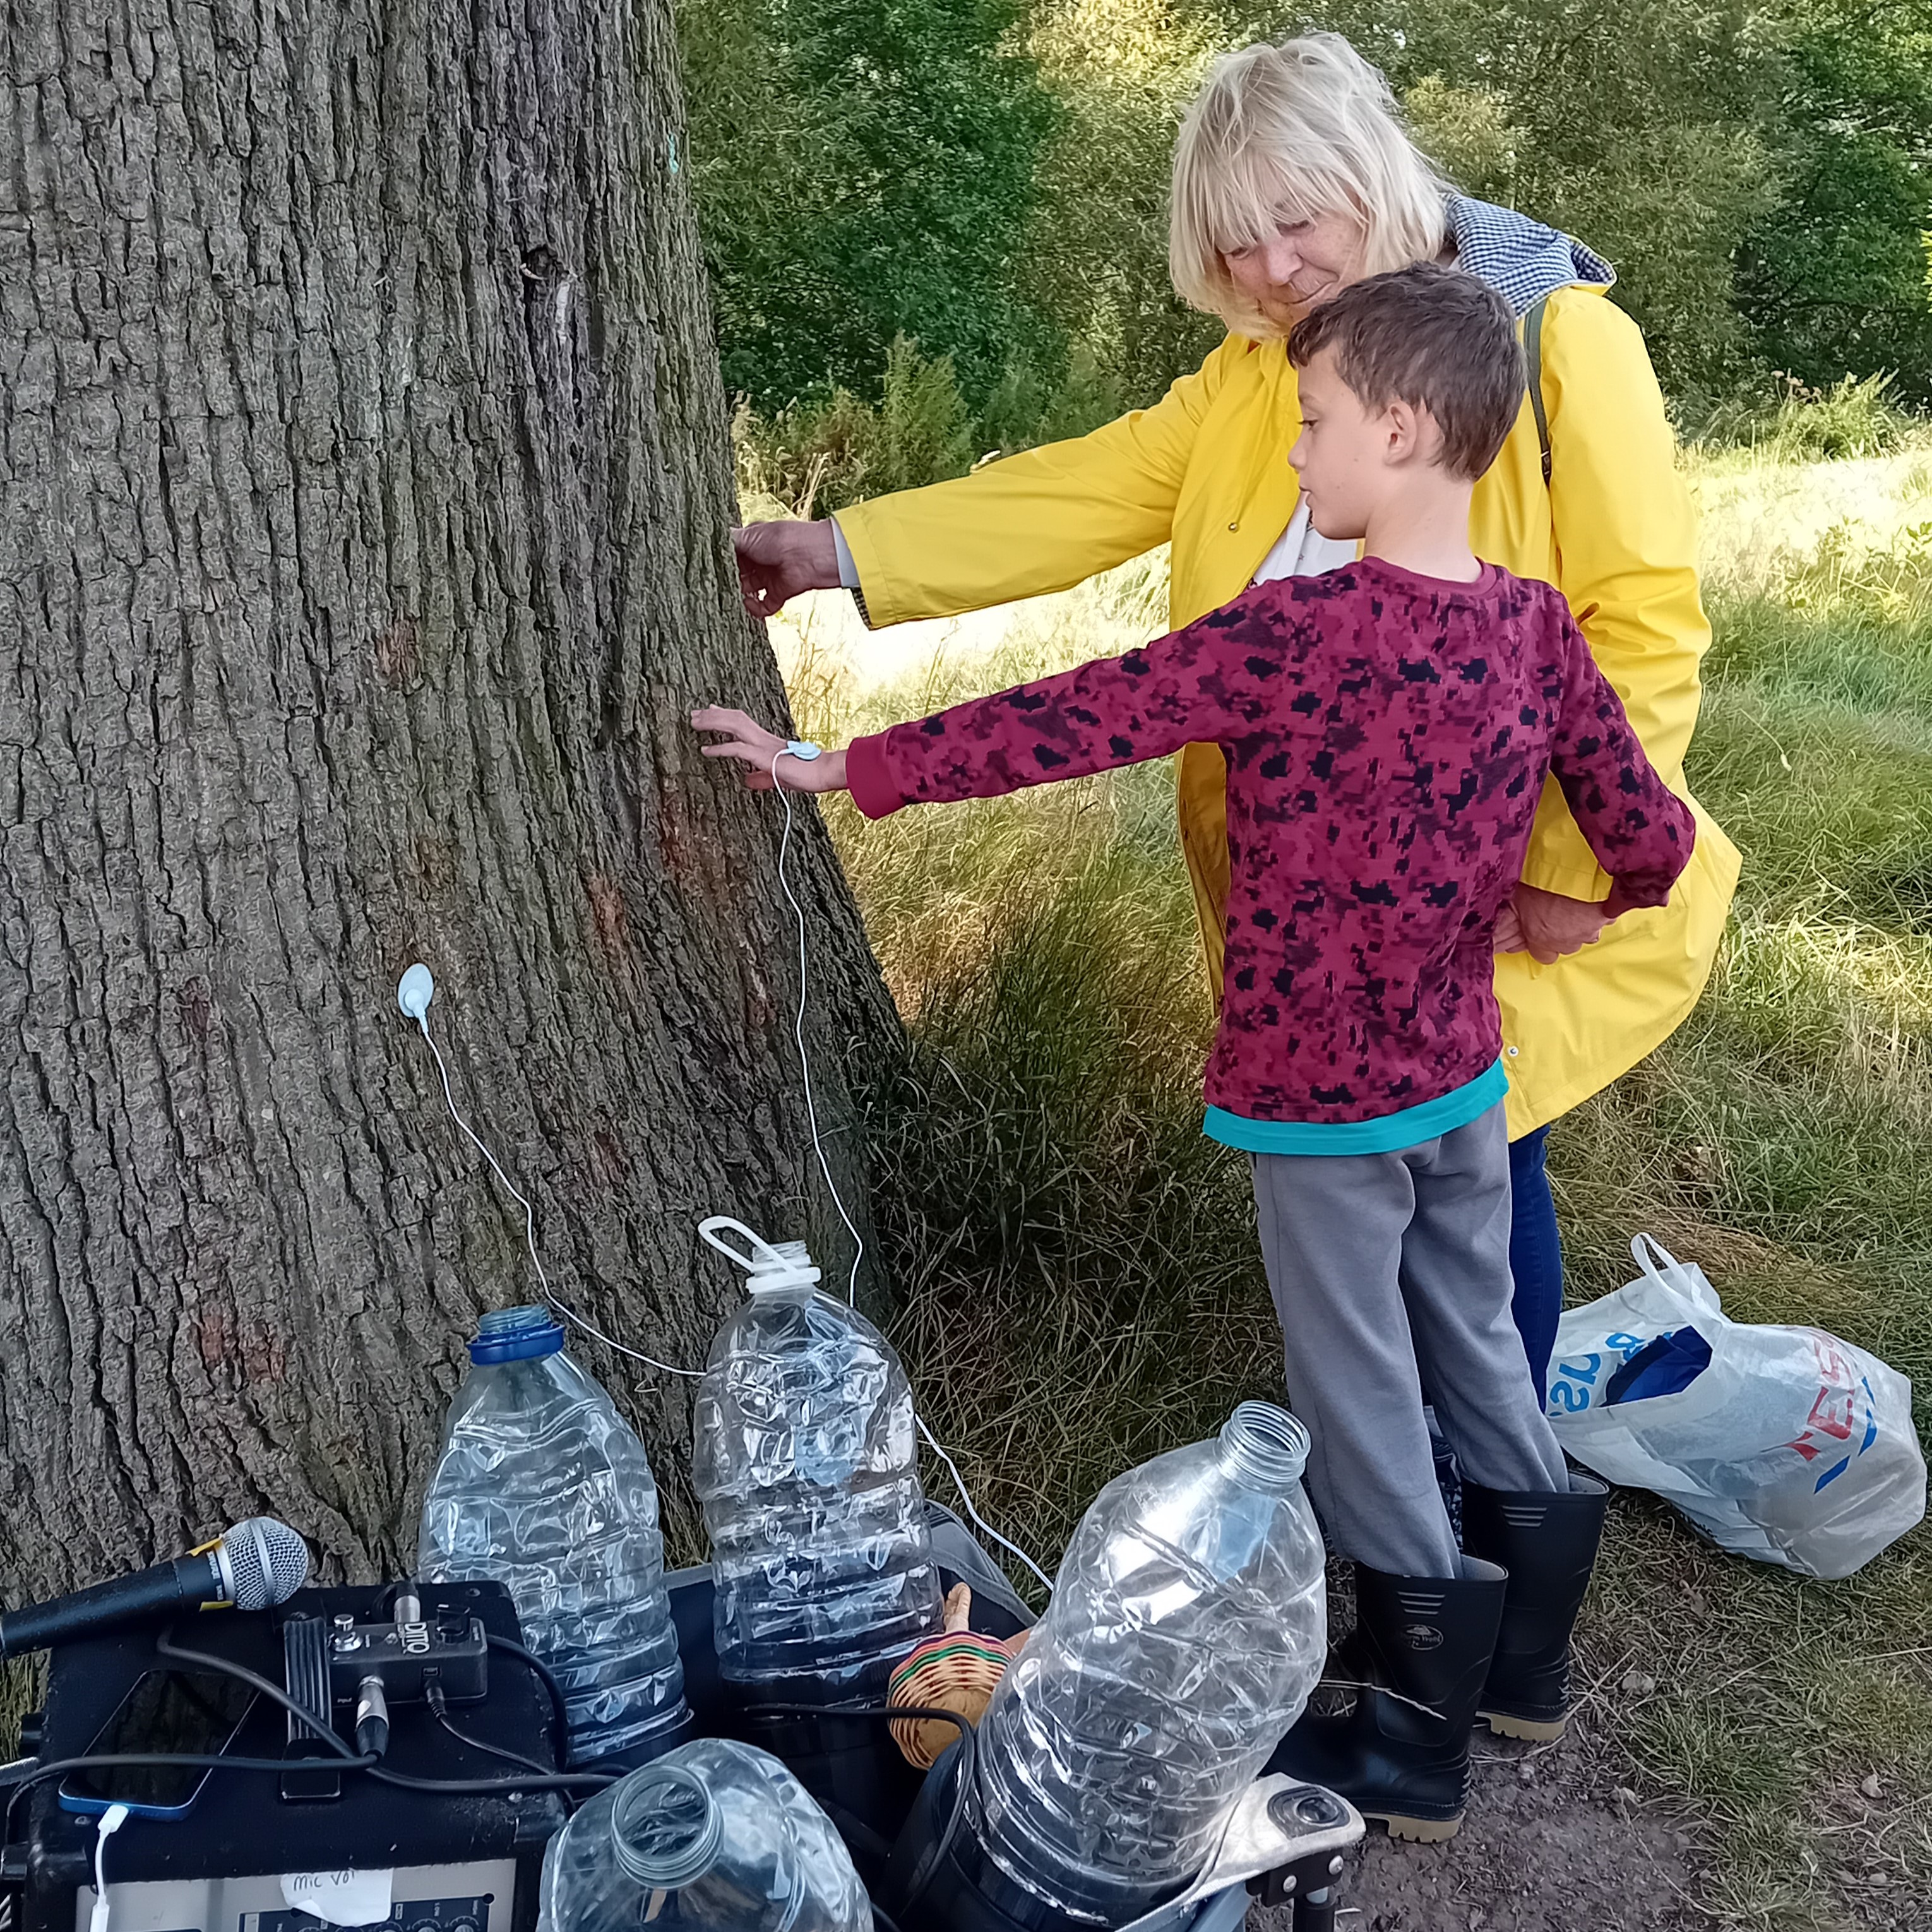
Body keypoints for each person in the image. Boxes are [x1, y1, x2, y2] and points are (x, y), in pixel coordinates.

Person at [697, 263, 1696, 1841]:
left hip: (1326, 1102)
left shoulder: (1293, 634)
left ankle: (1414, 1740)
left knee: (1360, 1386)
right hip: (1462, 1076)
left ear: (1403, 428)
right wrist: (1573, 907)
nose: (1293, 459)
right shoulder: (1534, 628)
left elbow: (1078, 716)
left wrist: (841, 767)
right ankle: (1526, 1674)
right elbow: (1648, 824)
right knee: (1480, 1350)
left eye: (1312, 429)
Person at [730, 33, 1740, 1412]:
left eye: (1295, 219)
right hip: (1311, 929)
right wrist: (841, 546)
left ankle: (1481, 1525)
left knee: (1483, 1193)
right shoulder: (1264, 370)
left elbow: (1637, 626)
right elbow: (1085, 489)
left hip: (1487, 897)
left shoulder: (1554, 343)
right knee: (1368, 1232)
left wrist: (1575, 873)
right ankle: (1414, 1510)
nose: (1269, 268)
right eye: (1236, 243)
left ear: (1371, 178)